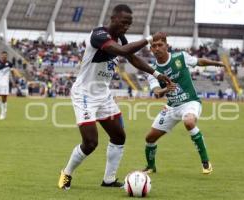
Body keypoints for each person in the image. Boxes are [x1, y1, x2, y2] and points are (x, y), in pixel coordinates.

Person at [58, 4, 171, 190]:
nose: (126, 26)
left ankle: (108, 180)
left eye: (129, 24)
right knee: (91, 142)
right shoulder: (99, 35)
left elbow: (133, 58)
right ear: (113, 18)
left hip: (103, 95)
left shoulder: (120, 38)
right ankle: (66, 173)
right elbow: (124, 52)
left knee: (119, 136)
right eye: (124, 22)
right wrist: (150, 38)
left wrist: (156, 74)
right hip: (84, 94)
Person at [142, 36, 224, 175]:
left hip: (190, 102)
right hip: (172, 107)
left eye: (160, 45)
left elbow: (199, 61)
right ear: (150, 49)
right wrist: (165, 90)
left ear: (166, 46)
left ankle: (205, 162)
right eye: (154, 46)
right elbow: (156, 92)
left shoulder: (181, 57)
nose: (157, 48)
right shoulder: (152, 70)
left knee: (189, 121)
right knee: (150, 138)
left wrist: (214, 62)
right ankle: (151, 167)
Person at [0, 51, 21, 120]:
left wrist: (15, 80)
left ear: (7, 56)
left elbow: (13, 72)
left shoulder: (9, 64)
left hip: (5, 84)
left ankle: (3, 113)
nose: (4, 56)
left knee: (4, 99)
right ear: (0, 56)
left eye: (5, 55)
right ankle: (3, 108)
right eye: (3, 55)